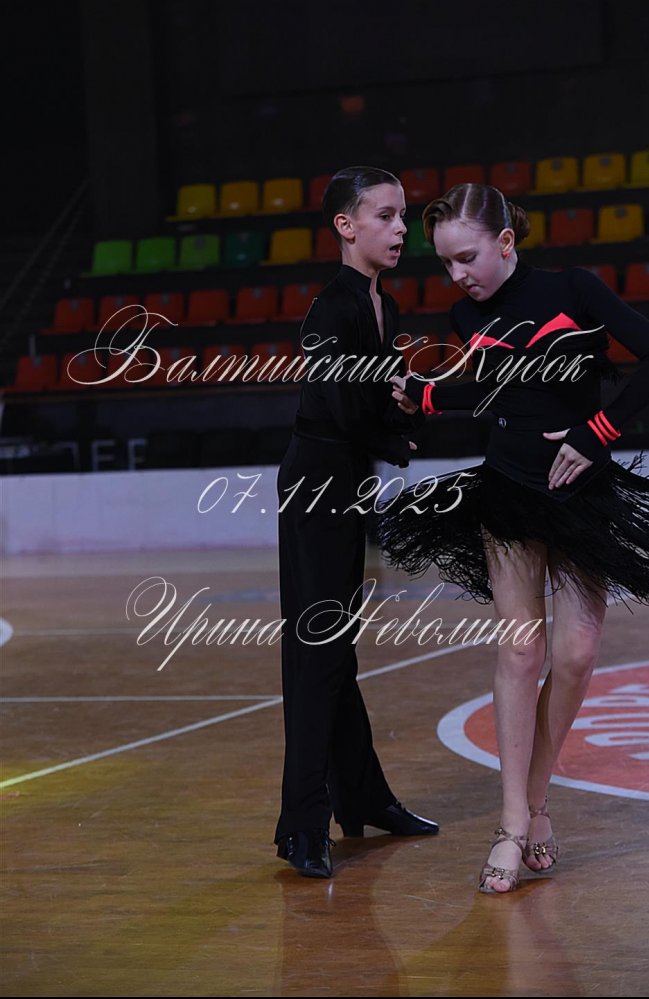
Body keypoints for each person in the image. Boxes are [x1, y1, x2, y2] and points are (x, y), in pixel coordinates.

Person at [378, 182, 649, 893]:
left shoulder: (575, 289)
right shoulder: (466, 313)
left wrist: (597, 433)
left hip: (580, 491)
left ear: (506, 241)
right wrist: (427, 394)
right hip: (506, 489)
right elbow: (499, 389)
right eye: (446, 263)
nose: (457, 275)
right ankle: (515, 821)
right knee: (520, 650)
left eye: (467, 257)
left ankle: (536, 801)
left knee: (576, 654)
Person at [275, 166, 439, 879]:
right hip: (316, 484)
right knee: (317, 653)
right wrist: (396, 424)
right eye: (385, 215)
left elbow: (372, 404)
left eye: (403, 215)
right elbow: (342, 410)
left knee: (337, 651)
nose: (401, 228)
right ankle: (302, 824)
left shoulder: (384, 305)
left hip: (346, 482)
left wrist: (402, 409)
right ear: (346, 226)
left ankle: (364, 798)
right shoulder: (330, 310)